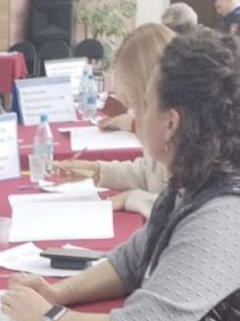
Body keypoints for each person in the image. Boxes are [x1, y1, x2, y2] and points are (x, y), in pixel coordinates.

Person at [1, 30, 240, 321]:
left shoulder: (223, 214)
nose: (135, 119)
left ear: (171, 122)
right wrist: (61, 291)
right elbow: (133, 259)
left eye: (144, 105)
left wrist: (47, 317)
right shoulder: (196, 178)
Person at [55, 23, 174, 217]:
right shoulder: (163, 124)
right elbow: (149, 173)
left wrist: (133, 198)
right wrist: (96, 171)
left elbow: (186, 211)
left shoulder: (192, 139)